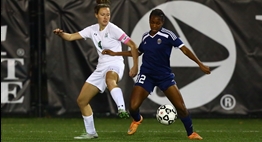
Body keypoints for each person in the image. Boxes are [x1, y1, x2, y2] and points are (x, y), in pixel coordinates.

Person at [102, 9, 211, 140]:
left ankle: (191, 133)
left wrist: (200, 64)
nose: (154, 25)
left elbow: (185, 50)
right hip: (147, 75)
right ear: (149, 21)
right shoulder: (146, 37)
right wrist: (115, 53)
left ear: (162, 22)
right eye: (152, 22)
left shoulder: (168, 35)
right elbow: (137, 52)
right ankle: (137, 120)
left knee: (181, 107)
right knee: (133, 107)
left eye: (157, 23)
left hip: (164, 76)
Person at [53, 0, 139, 139]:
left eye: (108, 15)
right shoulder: (92, 29)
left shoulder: (113, 29)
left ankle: (121, 108)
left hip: (115, 63)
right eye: (103, 14)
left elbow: (133, 45)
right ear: (96, 15)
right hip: (101, 67)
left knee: (110, 80)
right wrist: (61, 33)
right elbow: (71, 37)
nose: (106, 17)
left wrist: (135, 65)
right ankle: (91, 132)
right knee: (82, 101)